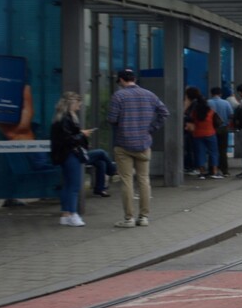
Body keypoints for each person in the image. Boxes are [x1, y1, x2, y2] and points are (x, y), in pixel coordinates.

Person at [107, 68, 170, 228]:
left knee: (126, 180)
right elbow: (164, 112)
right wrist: (151, 128)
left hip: (123, 143)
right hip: (143, 143)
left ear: (121, 80)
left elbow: (112, 119)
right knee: (144, 180)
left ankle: (128, 218)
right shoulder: (149, 95)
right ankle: (144, 217)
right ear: (134, 79)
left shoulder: (118, 96)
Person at [49, 92, 115, 226]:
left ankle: (65, 214)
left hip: (64, 155)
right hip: (71, 154)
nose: (79, 108)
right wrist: (82, 134)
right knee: (74, 185)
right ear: (72, 104)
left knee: (68, 184)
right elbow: (69, 139)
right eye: (78, 105)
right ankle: (73, 214)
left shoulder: (59, 118)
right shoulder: (67, 119)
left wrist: (80, 134)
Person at [184, 86, 223, 179]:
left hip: (197, 134)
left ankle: (202, 172)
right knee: (213, 152)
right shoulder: (210, 111)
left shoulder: (195, 112)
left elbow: (189, 118)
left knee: (200, 153)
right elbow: (216, 121)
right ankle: (214, 171)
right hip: (210, 133)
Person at [207, 86, 233, 177]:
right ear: (220, 94)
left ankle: (212, 169)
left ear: (211, 93)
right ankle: (224, 170)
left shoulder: (208, 103)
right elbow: (230, 115)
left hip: (211, 129)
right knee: (222, 150)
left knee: (212, 150)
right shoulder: (226, 103)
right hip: (223, 128)